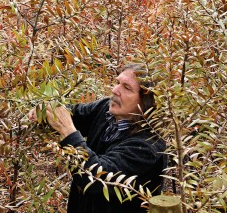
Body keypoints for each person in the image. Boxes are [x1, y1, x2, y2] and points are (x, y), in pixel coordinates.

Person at [29, 64, 166, 213]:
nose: (115, 90)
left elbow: (96, 178)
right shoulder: (106, 110)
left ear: (146, 102)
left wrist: (67, 130)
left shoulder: (148, 146)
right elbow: (74, 114)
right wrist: (47, 113)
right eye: (117, 83)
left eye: (126, 88)